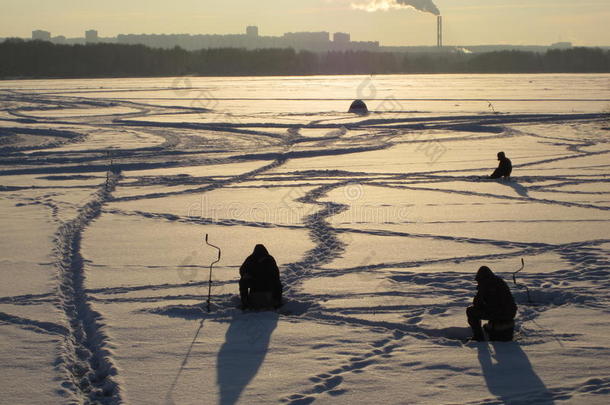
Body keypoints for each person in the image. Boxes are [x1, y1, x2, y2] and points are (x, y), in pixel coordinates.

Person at [467, 266, 517, 341]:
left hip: (501, 313)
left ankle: (478, 337)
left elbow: (478, 304)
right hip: (509, 313)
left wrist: (480, 291)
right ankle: (491, 328)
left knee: (471, 311)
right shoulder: (498, 281)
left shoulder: (486, 285)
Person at [239, 244, 282, 310]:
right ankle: (277, 301)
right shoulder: (269, 258)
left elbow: (242, 270)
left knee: (243, 281)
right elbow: (276, 274)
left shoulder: (251, 258)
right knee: (277, 282)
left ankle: (245, 301)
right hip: (260, 286)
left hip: (262, 285)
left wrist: (246, 275)